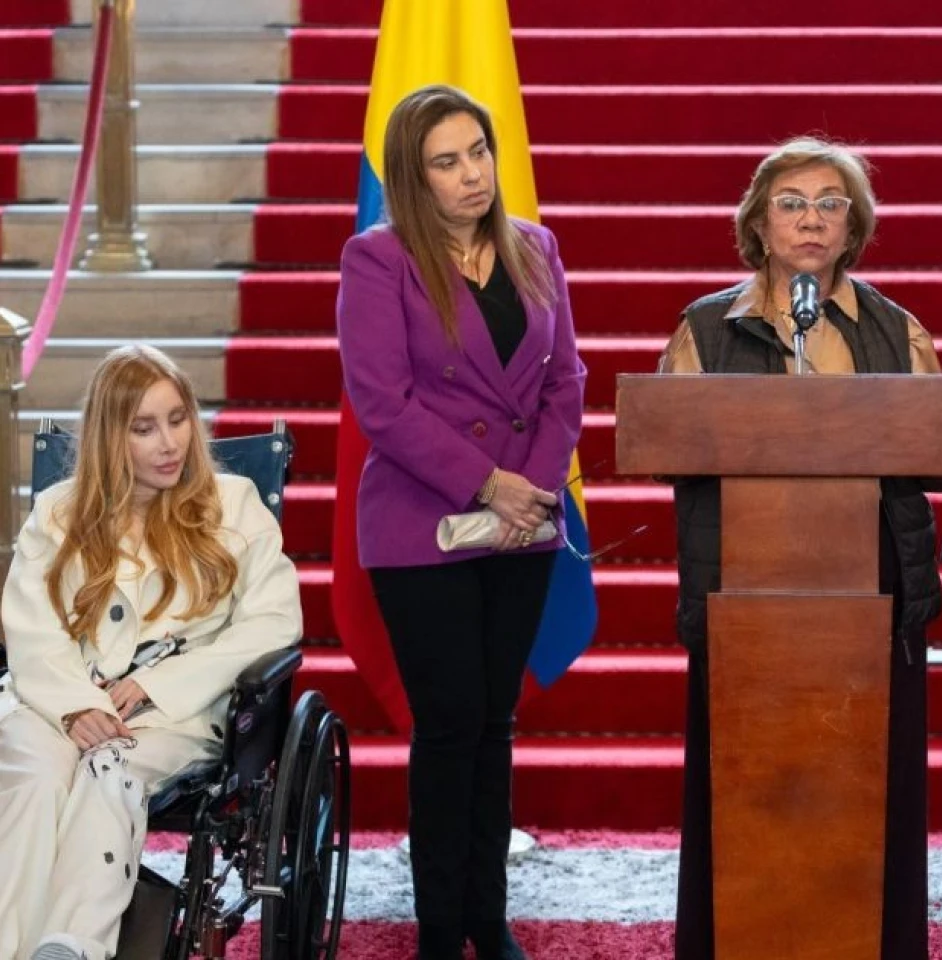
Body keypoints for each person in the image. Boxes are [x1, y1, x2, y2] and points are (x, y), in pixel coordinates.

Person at [657, 136, 942, 960]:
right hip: (743, 592)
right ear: (758, 224)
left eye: (829, 204)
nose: (811, 220)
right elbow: (667, 440)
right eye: (791, 204)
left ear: (854, 227)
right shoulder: (706, 329)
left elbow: (940, 445)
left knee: (873, 787)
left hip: (872, 594)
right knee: (742, 788)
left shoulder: (896, 329)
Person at [336, 84, 586, 960]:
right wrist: (488, 485)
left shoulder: (535, 247)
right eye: (447, 162)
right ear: (414, 176)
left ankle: (489, 915)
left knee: (495, 724)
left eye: (478, 151)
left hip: (524, 525)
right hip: (422, 528)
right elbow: (382, 403)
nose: (473, 173)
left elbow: (565, 382)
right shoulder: (378, 260)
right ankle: (442, 928)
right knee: (449, 727)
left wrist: (531, 488)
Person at [0, 344, 303, 960]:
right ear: (111, 437)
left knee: (108, 771)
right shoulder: (60, 512)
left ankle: (71, 946)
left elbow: (274, 621)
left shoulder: (233, 504)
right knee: (32, 779)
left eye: (177, 419)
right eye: (144, 428)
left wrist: (159, 685)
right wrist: (74, 705)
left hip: (173, 713)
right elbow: (31, 626)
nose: (169, 443)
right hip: (55, 702)